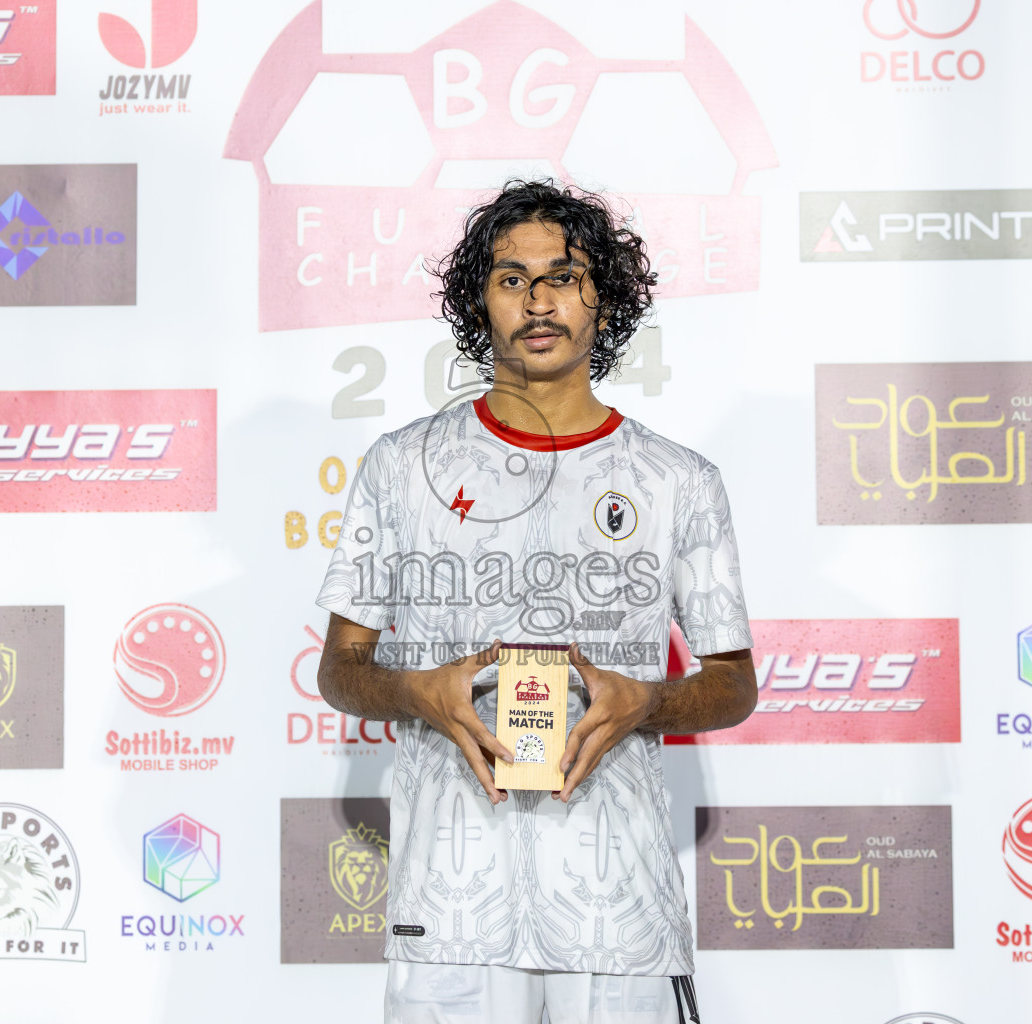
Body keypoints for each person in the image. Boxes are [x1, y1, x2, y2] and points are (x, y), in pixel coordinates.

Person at [315, 179, 755, 1024]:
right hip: (449, 913)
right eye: (512, 278)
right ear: (478, 300)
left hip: (617, 914)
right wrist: (411, 692)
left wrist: (650, 702)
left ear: (606, 296)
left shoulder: (678, 481)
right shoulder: (401, 466)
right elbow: (342, 669)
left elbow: (733, 685)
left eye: (566, 274)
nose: (540, 299)